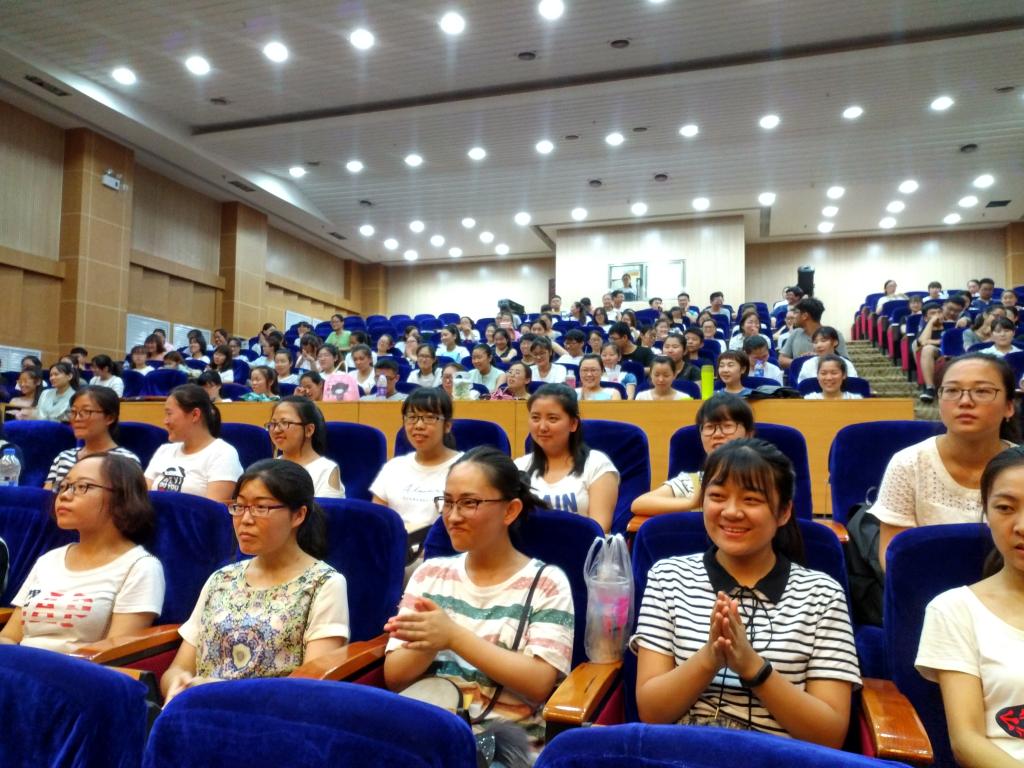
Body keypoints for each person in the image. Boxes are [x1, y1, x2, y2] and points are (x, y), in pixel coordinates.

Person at [631, 439, 860, 745]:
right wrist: (710, 657)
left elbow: (830, 735)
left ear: (783, 512)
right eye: (717, 496)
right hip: (683, 752)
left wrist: (752, 666)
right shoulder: (667, 577)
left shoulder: (823, 595)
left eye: (751, 500)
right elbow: (651, 711)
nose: (731, 512)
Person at [383, 447, 574, 756]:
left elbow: (539, 682)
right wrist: (429, 644)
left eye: (469, 503)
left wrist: (452, 637)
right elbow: (394, 677)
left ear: (510, 511)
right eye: (448, 502)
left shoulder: (547, 583)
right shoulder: (429, 574)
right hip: (427, 740)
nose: (453, 516)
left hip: (505, 746)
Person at [161, 460, 349, 702]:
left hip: (267, 718)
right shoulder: (221, 578)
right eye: (239, 506)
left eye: (261, 507)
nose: (245, 519)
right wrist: (178, 683)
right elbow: (177, 669)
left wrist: (216, 691)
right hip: (195, 710)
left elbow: (310, 690)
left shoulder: (324, 584)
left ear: (298, 515)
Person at [915, 447, 1024, 766]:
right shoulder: (954, 610)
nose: (1021, 526)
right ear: (986, 512)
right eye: (1005, 508)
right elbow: (966, 741)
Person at [1, 454, 164, 653]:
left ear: (121, 498)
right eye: (63, 486)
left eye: (82, 486)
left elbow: (113, 655)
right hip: (20, 667)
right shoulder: (49, 560)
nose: (64, 495)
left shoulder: (140, 567)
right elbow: (10, 636)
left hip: (78, 670)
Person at [874, 354, 1019, 572]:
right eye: (951, 390)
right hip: (927, 587)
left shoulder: (1019, 466)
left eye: (982, 391)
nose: (965, 401)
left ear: (1009, 406)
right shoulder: (909, 464)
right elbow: (894, 555)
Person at [515, 384, 619, 532]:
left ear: (573, 424)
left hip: (582, 545)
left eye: (552, 419)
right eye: (535, 418)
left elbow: (599, 530)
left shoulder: (597, 465)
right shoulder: (519, 467)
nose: (542, 427)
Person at [632, 393, 755, 516]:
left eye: (727, 426)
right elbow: (639, 504)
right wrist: (693, 502)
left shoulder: (762, 477)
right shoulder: (692, 482)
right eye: (709, 427)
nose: (717, 434)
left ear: (749, 434)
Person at [371, 388, 463, 531]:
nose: (419, 426)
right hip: (396, 543)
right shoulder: (393, 467)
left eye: (429, 418)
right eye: (412, 417)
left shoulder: (465, 468)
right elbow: (376, 522)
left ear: (447, 426)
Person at [145, 384, 244, 504]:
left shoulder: (223, 454)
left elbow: (213, 511)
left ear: (195, 415)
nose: (165, 421)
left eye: (169, 414)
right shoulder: (164, 450)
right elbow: (141, 499)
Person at [45, 387, 141, 489]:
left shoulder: (126, 460)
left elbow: (128, 498)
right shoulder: (63, 457)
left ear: (110, 418)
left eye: (86, 412)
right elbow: (48, 495)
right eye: (73, 412)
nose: (77, 418)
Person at [267, 397, 343, 498]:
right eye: (273, 424)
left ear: (309, 430)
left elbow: (325, 508)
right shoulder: (267, 468)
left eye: (285, 423)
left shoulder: (326, 470)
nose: (276, 430)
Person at [779, 298, 848, 369]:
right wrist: (803, 361)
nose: (794, 316)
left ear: (805, 316)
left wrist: (817, 359)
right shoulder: (795, 333)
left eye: (796, 313)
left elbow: (845, 363)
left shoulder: (834, 334)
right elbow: (782, 360)